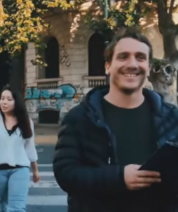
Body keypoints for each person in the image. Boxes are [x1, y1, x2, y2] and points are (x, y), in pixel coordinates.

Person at [53, 27, 178, 212]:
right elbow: (66, 174)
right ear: (108, 66)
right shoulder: (80, 117)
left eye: (140, 57)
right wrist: (119, 178)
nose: (132, 64)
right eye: (123, 56)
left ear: (149, 67)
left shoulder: (172, 116)